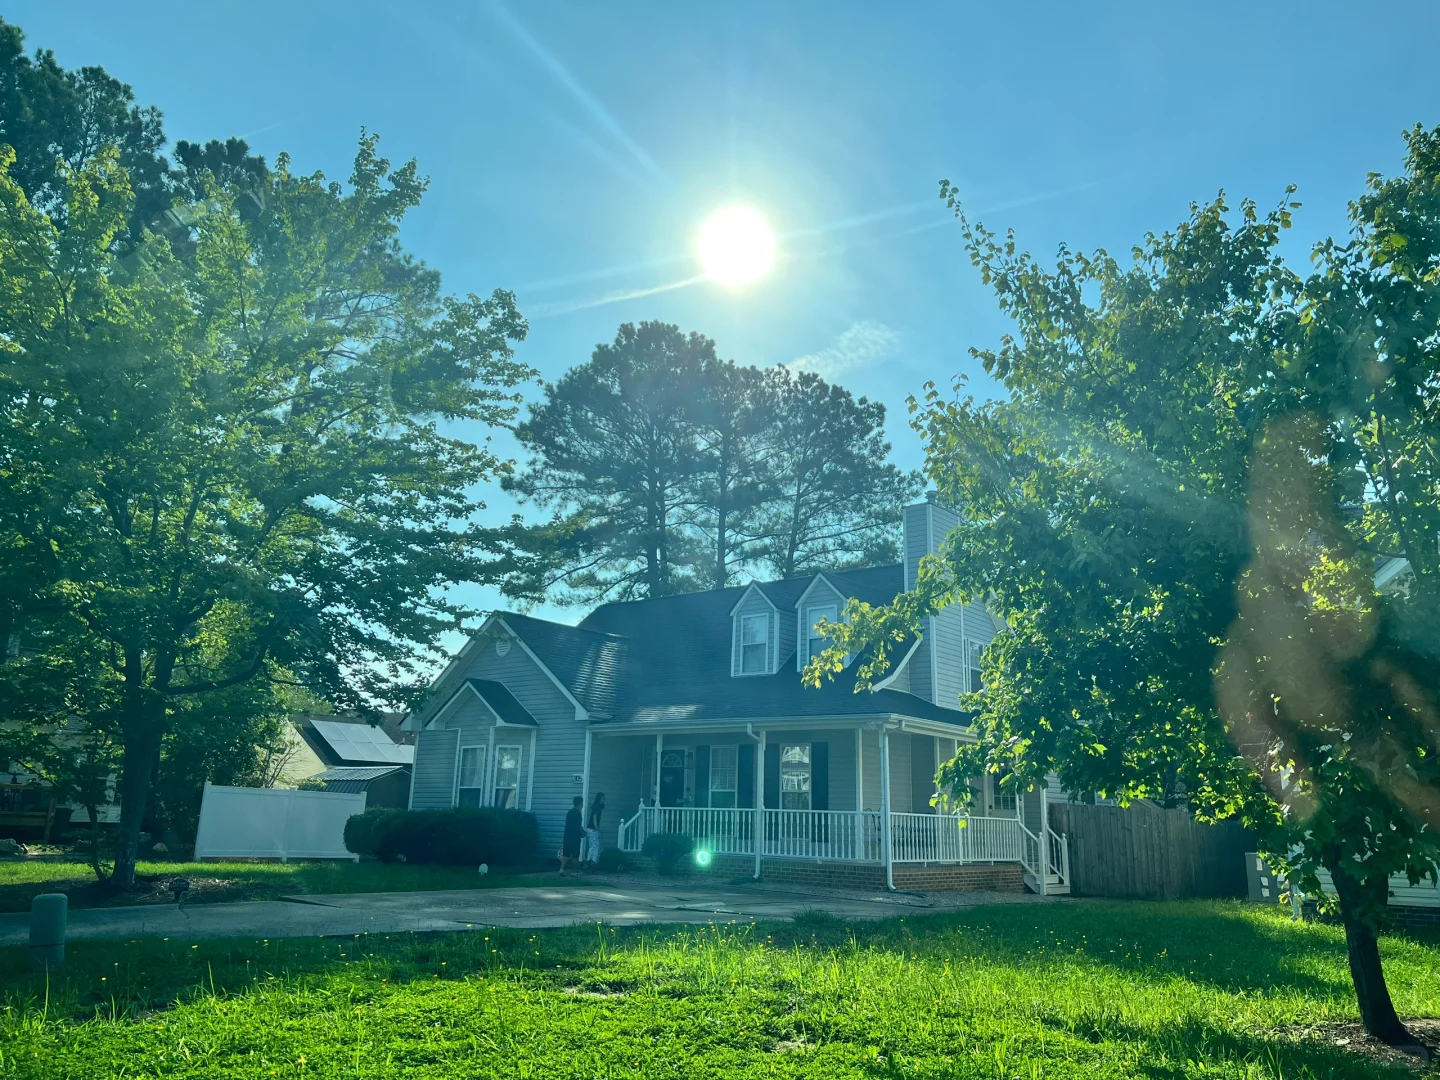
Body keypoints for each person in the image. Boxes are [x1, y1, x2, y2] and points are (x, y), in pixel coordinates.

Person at [560, 795, 584, 875]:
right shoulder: (578, 813)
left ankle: (562, 869)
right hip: (575, 837)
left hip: (567, 836)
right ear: (580, 803)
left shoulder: (569, 812)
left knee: (566, 854)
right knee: (575, 855)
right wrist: (582, 833)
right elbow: (578, 826)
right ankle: (575, 871)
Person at [584, 793, 605, 868]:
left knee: (595, 845)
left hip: (592, 829)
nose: (603, 800)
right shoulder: (597, 806)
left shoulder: (597, 807)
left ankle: (592, 860)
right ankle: (591, 861)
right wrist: (596, 827)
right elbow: (594, 817)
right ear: (599, 799)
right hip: (592, 829)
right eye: (602, 798)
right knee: (594, 846)